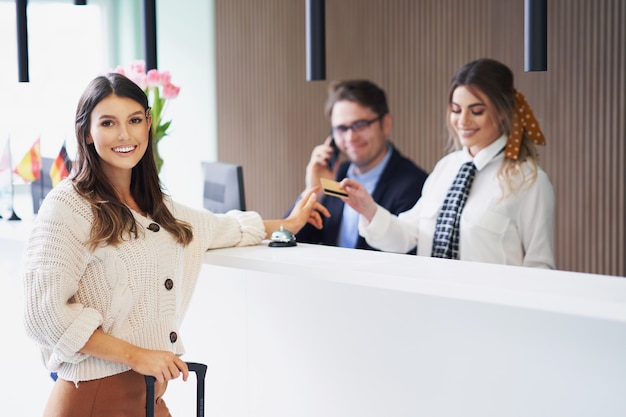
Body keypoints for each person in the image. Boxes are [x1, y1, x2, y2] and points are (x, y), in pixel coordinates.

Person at [21, 73, 329, 417]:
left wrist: (288, 224)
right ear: (87, 132)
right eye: (108, 123)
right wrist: (136, 354)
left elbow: (218, 227)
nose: (124, 135)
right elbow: (43, 315)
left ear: (147, 126)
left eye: (135, 120)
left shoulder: (155, 207)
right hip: (93, 399)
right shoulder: (68, 205)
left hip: (148, 397)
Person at [338, 58, 555, 268]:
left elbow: (540, 265)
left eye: (477, 111)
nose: (463, 121)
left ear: (501, 112)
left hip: (490, 304)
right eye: (456, 109)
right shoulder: (446, 168)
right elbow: (407, 236)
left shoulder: (530, 181)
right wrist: (368, 209)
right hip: (433, 301)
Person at [293, 79, 429, 251]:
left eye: (360, 125)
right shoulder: (335, 177)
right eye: (341, 129)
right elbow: (292, 241)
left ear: (385, 123)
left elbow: (407, 253)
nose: (350, 137)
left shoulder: (414, 184)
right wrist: (313, 192)